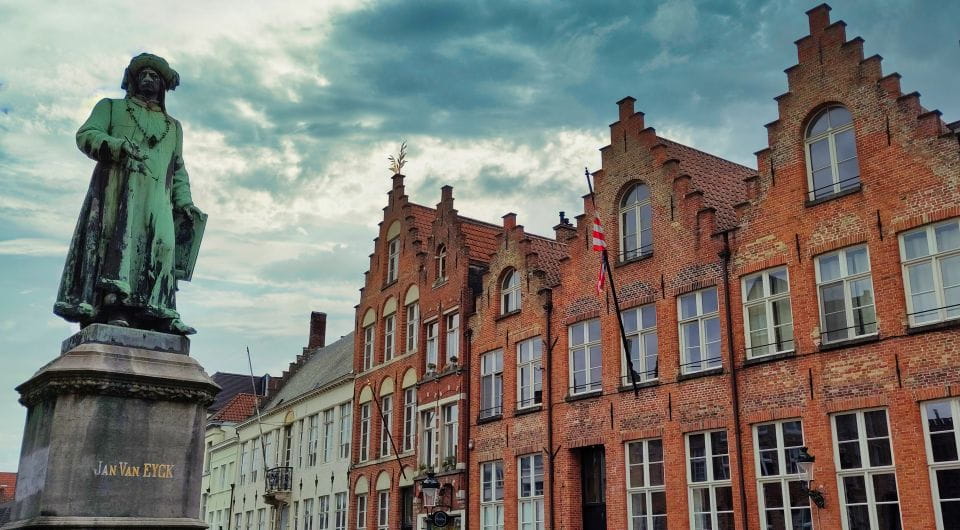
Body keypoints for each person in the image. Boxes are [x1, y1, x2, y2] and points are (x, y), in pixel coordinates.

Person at [54, 53, 202, 335]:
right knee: (119, 247)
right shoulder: (110, 107)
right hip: (119, 190)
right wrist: (114, 145)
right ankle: (115, 306)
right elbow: (86, 135)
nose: (148, 79)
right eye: (143, 74)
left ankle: (160, 311)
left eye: (154, 76)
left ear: (162, 85)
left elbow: (178, 167)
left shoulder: (174, 126)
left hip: (158, 195)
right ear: (133, 81)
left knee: (164, 249)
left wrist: (185, 201)